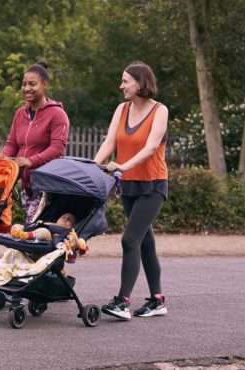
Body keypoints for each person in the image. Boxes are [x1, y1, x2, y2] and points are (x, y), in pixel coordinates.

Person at [94, 61, 169, 320]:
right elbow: (110, 141)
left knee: (130, 240)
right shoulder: (122, 109)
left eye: (126, 81)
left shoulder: (160, 111)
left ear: (140, 83)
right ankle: (157, 300)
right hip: (128, 184)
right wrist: (94, 167)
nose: (121, 86)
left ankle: (122, 302)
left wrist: (122, 165)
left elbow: (150, 148)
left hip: (153, 184)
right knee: (145, 241)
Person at [0, 61, 70, 224]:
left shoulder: (57, 114)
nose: (27, 88)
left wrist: (31, 161)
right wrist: (4, 155)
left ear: (45, 85)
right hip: (25, 182)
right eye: (24, 84)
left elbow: (57, 148)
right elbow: (12, 143)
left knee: (31, 227)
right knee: (33, 228)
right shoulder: (20, 114)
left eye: (32, 84)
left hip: (46, 182)